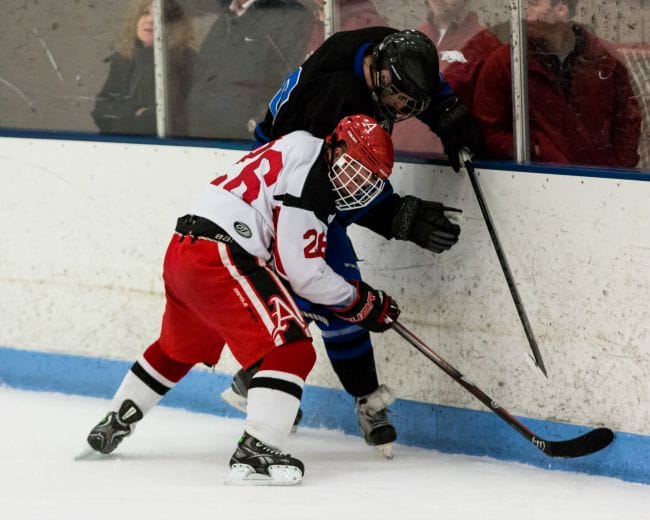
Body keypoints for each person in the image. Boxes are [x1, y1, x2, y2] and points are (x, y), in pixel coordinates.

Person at [81, 114, 401, 486]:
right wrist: (361, 301)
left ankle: (116, 419)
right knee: (293, 347)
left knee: (179, 347)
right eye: (354, 169)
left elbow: (284, 252)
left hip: (184, 251)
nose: (356, 183)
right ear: (336, 145)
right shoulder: (312, 180)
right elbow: (302, 272)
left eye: (368, 179)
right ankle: (258, 446)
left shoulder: (299, 143)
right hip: (223, 256)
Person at [223, 28, 470, 458]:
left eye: (411, 106)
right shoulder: (335, 100)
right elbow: (335, 194)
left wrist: (446, 112)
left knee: (334, 291)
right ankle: (264, 383)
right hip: (279, 192)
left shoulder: (386, 47)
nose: (400, 110)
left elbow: (423, 80)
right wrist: (399, 217)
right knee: (321, 289)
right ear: (377, 75)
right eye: (398, 101)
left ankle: (281, 384)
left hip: (314, 174)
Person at [473, 0, 641, 168]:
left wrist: (620, 167)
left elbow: (627, 120)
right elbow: (489, 131)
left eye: (532, 4)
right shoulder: (504, 63)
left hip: (605, 183)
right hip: (538, 182)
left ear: (561, 9)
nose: (522, 12)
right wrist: (536, 151)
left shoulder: (605, 58)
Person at [186, 0, 313, 139]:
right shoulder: (225, 17)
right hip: (203, 133)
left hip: (246, 138)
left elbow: (285, 80)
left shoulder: (289, 14)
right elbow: (202, 74)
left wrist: (254, 124)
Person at [391, 0, 502, 154]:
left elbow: (489, 123)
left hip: (446, 166)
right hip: (397, 160)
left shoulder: (485, 45)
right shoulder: (412, 38)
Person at [91, 0, 196, 136]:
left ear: (175, 25)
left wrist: (123, 113)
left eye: (161, 16)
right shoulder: (124, 58)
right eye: (145, 13)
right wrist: (134, 111)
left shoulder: (181, 61)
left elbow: (156, 121)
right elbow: (101, 112)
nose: (151, 20)